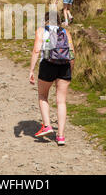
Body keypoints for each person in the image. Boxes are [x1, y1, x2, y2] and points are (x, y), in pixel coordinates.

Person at [29, 11, 75, 146]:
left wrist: (31, 70)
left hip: (48, 65)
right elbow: (72, 53)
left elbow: (37, 50)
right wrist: (70, 70)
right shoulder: (66, 33)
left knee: (43, 96)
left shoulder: (42, 31)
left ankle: (47, 125)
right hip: (64, 66)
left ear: (46, 20)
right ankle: (60, 136)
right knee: (61, 101)